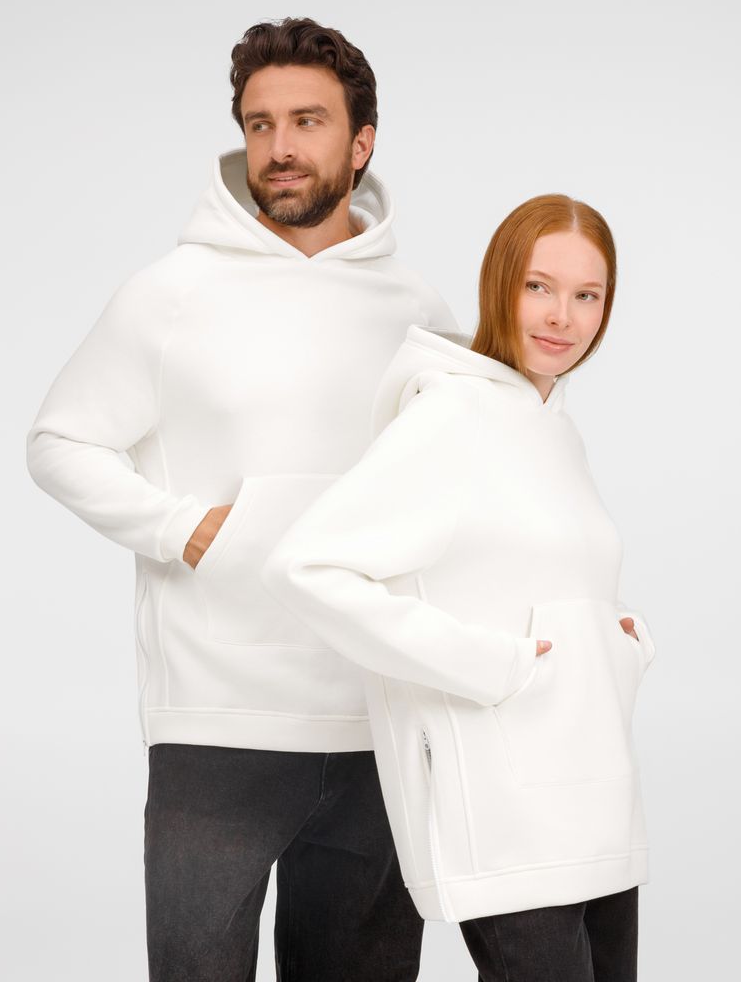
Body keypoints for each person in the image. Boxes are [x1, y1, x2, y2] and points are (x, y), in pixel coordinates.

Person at [26, 17, 457, 982]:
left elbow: (454, 486)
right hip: (215, 725)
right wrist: (182, 528)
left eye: (307, 121)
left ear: (362, 142)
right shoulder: (171, 293)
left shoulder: (418, 310)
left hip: (381, 723)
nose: (280, 147)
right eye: (260, 124)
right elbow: (59, 441)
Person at [263, 194, 656, 982]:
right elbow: (305, 566)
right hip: (511, 812)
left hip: (599, 798)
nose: (563, 316)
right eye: (539, 286)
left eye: (587, 295)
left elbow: (541, 580)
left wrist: (619, 643)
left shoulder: (554, 424)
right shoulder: (451, 416)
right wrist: (489, 663)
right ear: (499, 284)